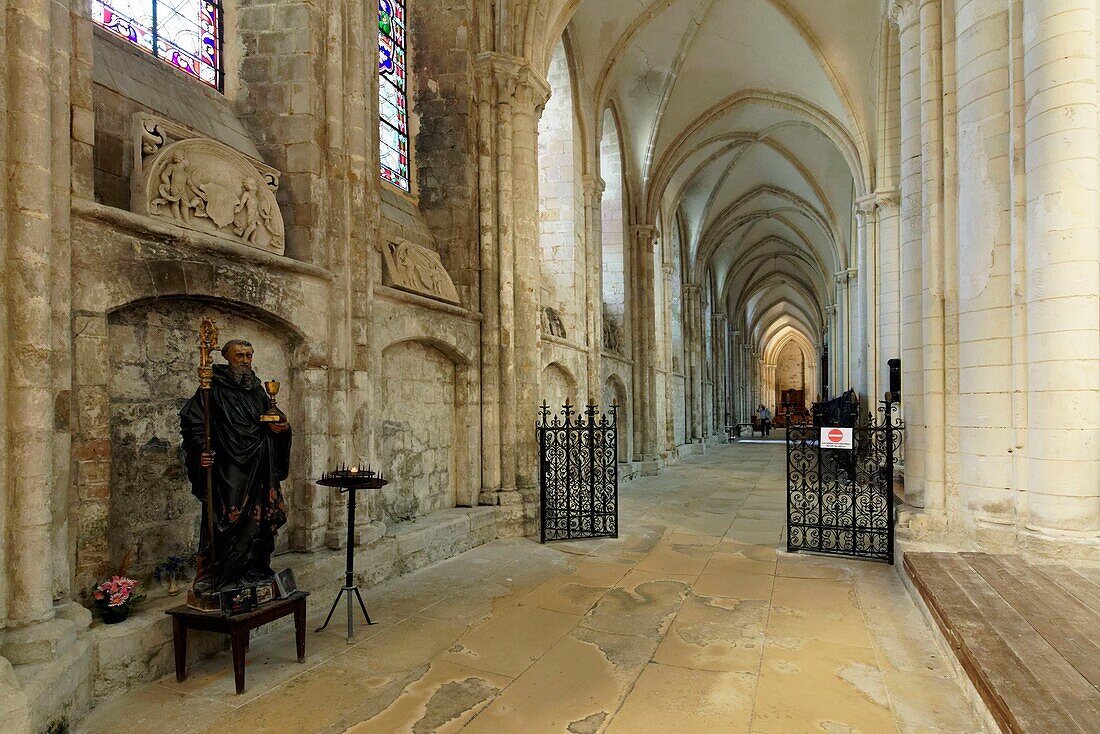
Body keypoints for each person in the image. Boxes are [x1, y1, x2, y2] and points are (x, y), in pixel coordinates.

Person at [180, 339, 291, 595]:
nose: (245, 360)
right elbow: (194, 422)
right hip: (228, 466)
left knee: (261, 519)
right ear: (228, 357)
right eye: (240, 355)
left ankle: (255, 567)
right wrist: (200, 451)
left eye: (249, 355)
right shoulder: (212, 387)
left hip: (259, 464)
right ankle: (218, 574)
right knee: (226, 518)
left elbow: (272, 416)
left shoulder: (256, 388)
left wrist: (283, 429)